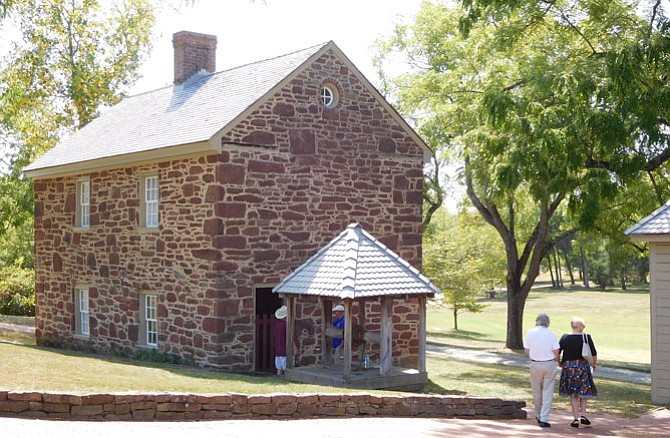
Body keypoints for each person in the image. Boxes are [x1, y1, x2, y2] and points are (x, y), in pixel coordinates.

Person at [559, 317, 598, 428]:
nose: (584, 327)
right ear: (579, 326)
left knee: (573, 393)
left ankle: (575, 418)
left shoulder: (565, 337)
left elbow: (558, 351)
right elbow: (594, 353)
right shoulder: (586, 337)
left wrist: (559, 362)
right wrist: (594, 364)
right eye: (583, 325)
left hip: (569, 367)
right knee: (583, 391)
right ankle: (583, 415)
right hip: (582, 366)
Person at [523, 313, 560, 428]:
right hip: (549, 363)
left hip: (535, 363)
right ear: (547, 322)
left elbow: (526, 350)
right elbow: (556, 351)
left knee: (536, 391)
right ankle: (544, 417)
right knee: (547, 391)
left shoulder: (530, 332)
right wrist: (558, 360)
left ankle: (538, 414)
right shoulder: (552, 334)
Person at [273, 305, 288, 376]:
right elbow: (287, 336)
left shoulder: (277, 324)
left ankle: (279, 376)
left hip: (277, 347)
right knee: (285, 366)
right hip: (284, 347)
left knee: (279, 367)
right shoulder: (285, 325)